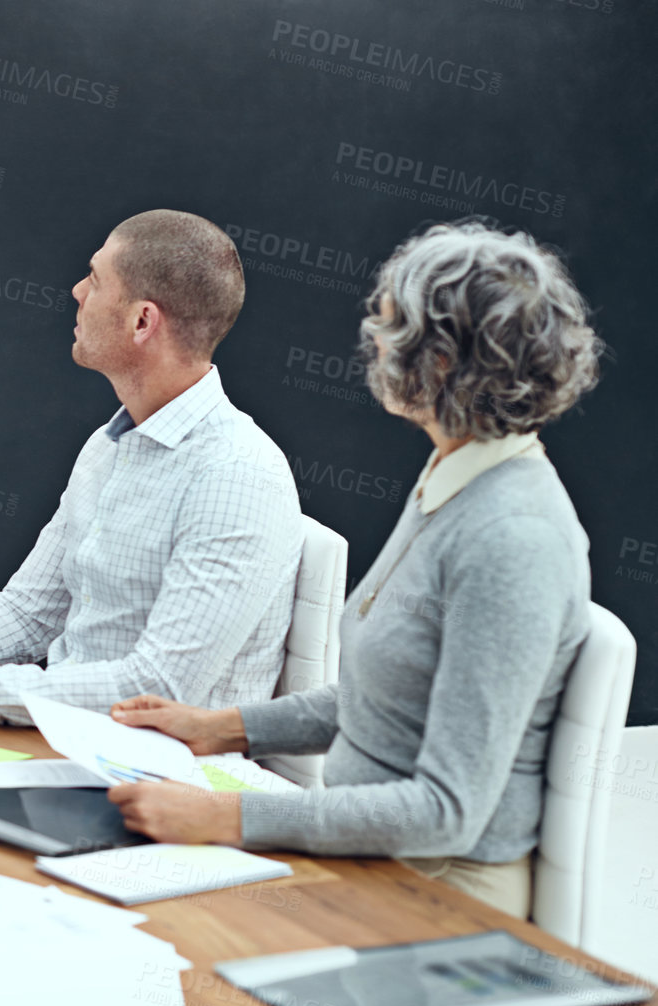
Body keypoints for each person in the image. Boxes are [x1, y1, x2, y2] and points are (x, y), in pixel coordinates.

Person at [106, 221, 601, 920]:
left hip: (431, 895)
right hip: (364, 864)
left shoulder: (512, 539)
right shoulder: (454, 475)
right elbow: (389, 694)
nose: (374, 338)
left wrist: (225, 817)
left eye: (392, 324)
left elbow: (443, 811)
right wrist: (222, 726)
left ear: (437, 364)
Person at [0, 210, 302, 725]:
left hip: (165, 779)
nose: (76, 291)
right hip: (68, 748)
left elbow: (159, 689)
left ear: (142, 321)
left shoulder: (239, 474)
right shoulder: (108, 445)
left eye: (94, 279)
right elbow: (27, 614)